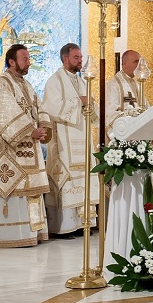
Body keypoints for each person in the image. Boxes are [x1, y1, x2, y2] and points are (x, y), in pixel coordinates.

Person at [0, 44, 51, 247]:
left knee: (31, 188)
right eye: (24, 58)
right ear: (11, 61)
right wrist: (30, 131)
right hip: (10, 149)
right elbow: (4, 113)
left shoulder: (26, 85)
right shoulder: (2, 84)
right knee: (15, 187)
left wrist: (44, 126)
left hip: (31, 145)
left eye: (29, 58)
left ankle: (33, 233)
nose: (28, 62)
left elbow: (39, 107)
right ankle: (10, 236)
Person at [42, 43, 100, 238]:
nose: (80, 61)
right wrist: (79, 103)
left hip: (82, 139)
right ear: (65, 59)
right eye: (76, 58)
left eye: (81, 57)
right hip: (64, 142)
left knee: (84, 178)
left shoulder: (83, 82)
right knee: (67, 180)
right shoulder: (54, 81)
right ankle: (64, 226)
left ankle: (83, 223)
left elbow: (91, 106)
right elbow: (51, 107)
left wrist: (91, 107)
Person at [105, 49, 150, 139]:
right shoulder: (113, 84)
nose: (140, 65)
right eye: (136, 61)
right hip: (124, 133)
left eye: (140, 61)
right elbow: (111, 113)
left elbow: (146, 108)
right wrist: (131, 119)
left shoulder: (137, 85)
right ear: (124, 64)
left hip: (139, 133)